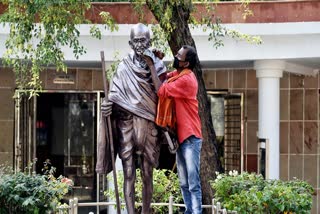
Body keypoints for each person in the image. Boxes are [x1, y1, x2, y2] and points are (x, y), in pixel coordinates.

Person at [99, 23, 167, 214]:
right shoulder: (122, 68)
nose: (139, 45)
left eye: (143, 40)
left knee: (147, 173)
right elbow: (114, 97)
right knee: (128, 172)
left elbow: (163, 94)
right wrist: (107, 107)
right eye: (136, 41)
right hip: (126, 123)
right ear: (130, 43)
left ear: (149, 41)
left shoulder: (159, 66)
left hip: (149, 124)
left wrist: (152, 64)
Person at [144, 45, 203, 214]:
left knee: (193, 182)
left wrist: (150, 65)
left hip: (191, 137)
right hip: (180, 137)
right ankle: (189, 210)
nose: (175, 57)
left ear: (186, 63)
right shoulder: (178, 75)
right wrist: (157, 61)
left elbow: (161, 90)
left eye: (179, 56)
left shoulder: (186, 80)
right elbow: (162, 77)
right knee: (184, 182)